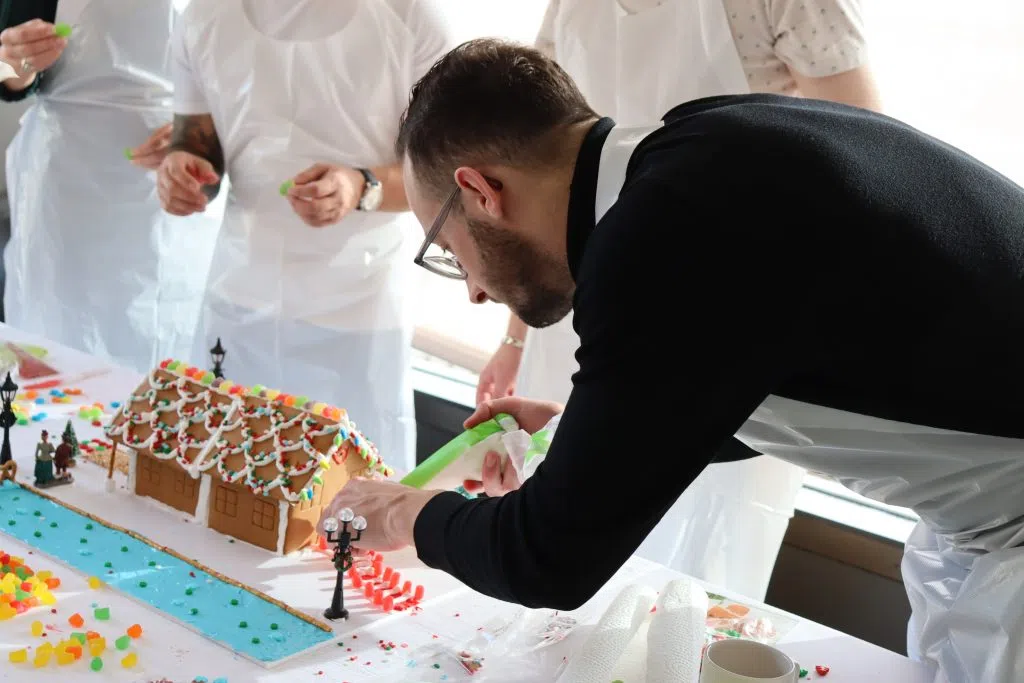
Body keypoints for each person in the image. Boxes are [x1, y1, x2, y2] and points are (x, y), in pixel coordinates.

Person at [321, 40, 1024, 682]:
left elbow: (549, 559)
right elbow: (733, 368)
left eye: (448, 249)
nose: (472, 289)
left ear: (479, 192)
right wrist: (588, 429)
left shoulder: (658, 235)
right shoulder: (703, 141)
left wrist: (410, 514)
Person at [474, 0, 884, 600]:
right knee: (562, 543)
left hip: (727, 335)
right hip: (575, 313)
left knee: (694, 589)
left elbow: (863, 165)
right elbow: (531, 176)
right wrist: (514, 334)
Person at [157, 0, 455, 472]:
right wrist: (183, 170)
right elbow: (196, 143)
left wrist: (361, 186)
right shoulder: (202, 14)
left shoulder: (412, 15)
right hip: (239, 295)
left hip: (357, 307)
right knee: (223, 476)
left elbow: (451, 173)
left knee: (351, 505)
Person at [0, 2, 223, 371]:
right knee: (59, 358)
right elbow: (6, 73)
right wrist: (13, 63)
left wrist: (201, 133)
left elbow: (259, 78)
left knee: (178, 362)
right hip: (67, 192)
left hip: (184, 186)